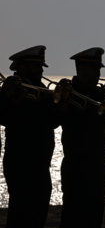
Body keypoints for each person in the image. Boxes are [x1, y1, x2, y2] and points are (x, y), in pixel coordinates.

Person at [58, 47, 105, 228]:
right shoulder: (69, 92)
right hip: (76, 164)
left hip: (98, 163)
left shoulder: (100, 93)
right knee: (73, 217)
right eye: (94, 69)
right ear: (81, 69)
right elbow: (83, 117)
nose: (98, 73)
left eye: (98, 70)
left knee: (95, 216)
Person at [0, 45, 59, 227]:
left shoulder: (41, 88)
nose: (41, 70)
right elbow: (3, 116)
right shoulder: (11, 88)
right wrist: (6, 96)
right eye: (37, 66)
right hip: (20, 162)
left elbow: (53, 121)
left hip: (41, 162)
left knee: (38, 213)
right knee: (20, 215)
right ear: (23, 67)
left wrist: (60, 102)